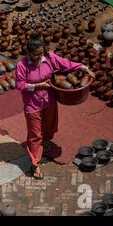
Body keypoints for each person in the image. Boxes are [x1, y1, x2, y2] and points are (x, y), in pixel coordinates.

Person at [15, 33, 95, 180]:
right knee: (34, 134)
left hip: (49, 100)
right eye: (35, 54)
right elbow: (19, 85)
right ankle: (35, 164)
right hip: (32, 104)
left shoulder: (50, 58)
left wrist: (84, 68)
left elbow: (66, 64)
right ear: (29, 52)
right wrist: (36, 85)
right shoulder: (22, 65)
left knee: (49, 126)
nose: (39, 57)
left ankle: (44, 144)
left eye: (41, 53)